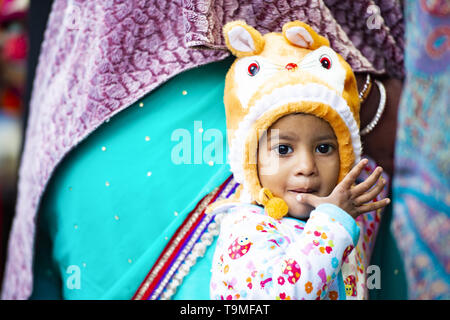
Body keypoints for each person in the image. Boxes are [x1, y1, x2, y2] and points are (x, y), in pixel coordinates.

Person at [208, 21, 390, 300]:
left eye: (325, 148)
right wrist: (334, 222)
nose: (306, 167)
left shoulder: (344, 214)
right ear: (251, 160)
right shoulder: (247, 229)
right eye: (283, 150)